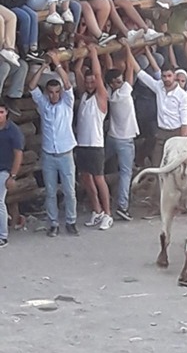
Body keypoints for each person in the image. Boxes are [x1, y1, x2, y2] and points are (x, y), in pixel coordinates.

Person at [29, 53, 78, 237]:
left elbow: (68, 84)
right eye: (51, 92)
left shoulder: (67, 103)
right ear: (47, 93)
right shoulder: (43, 104)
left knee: (69, 191)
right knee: (50, 192)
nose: (54, 95)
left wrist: (57, 64)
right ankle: (53, 223)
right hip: (49, 154)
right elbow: (32, 86)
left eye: (57, 92)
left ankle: (71, 221)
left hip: (65, 154)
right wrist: (44, 66)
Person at [124, 42, 187, 164]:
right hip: (161, 132)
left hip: (175, 133)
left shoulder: (183, 96)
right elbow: (140, 73)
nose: (166, 79)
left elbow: (185, 121)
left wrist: (182, 142)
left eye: (169, 76)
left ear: (174, 76)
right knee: (157, 163)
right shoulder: (158, 86)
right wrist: (128, 49)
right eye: (164, 76)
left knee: (173, 164)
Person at [74, 44, 113, 230]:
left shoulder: (101, 97)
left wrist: (94, 54)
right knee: (86, 179)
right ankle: (97, 210)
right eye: (87, 82)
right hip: (82, 144)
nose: (89, 84)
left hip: (96, 144)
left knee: (99, 179)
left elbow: (98, 75)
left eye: (92, 82)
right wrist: (82, 53)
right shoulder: (84, 95)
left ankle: (108, 214)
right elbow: (76, 71)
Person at [105, 49, 139, 221]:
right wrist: (127, 49)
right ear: (114, 83)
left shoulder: (110, 93)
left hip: (112, 136)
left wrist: (107, 53)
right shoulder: (124, 91)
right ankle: (122, 206)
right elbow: (130, 69)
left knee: (100, 165)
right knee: (126, 173)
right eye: (118, 80)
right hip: (125, 139)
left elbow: (111, 71)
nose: (122, 81)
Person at [0, 101, 24, 249]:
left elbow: (18, 154)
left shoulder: (13, 131)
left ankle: (3, 236)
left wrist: (13, 175)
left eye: (1, 112)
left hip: (4, 170)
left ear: (7, 112)